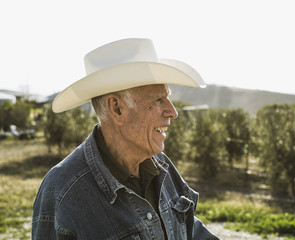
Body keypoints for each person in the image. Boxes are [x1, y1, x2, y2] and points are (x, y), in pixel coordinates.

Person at [32, 38, 219, 239]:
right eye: (158, 99)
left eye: (168, 97)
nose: (173, 111)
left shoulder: (163, 166)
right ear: (117, 108)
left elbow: (191, 232)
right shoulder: (62, 190)